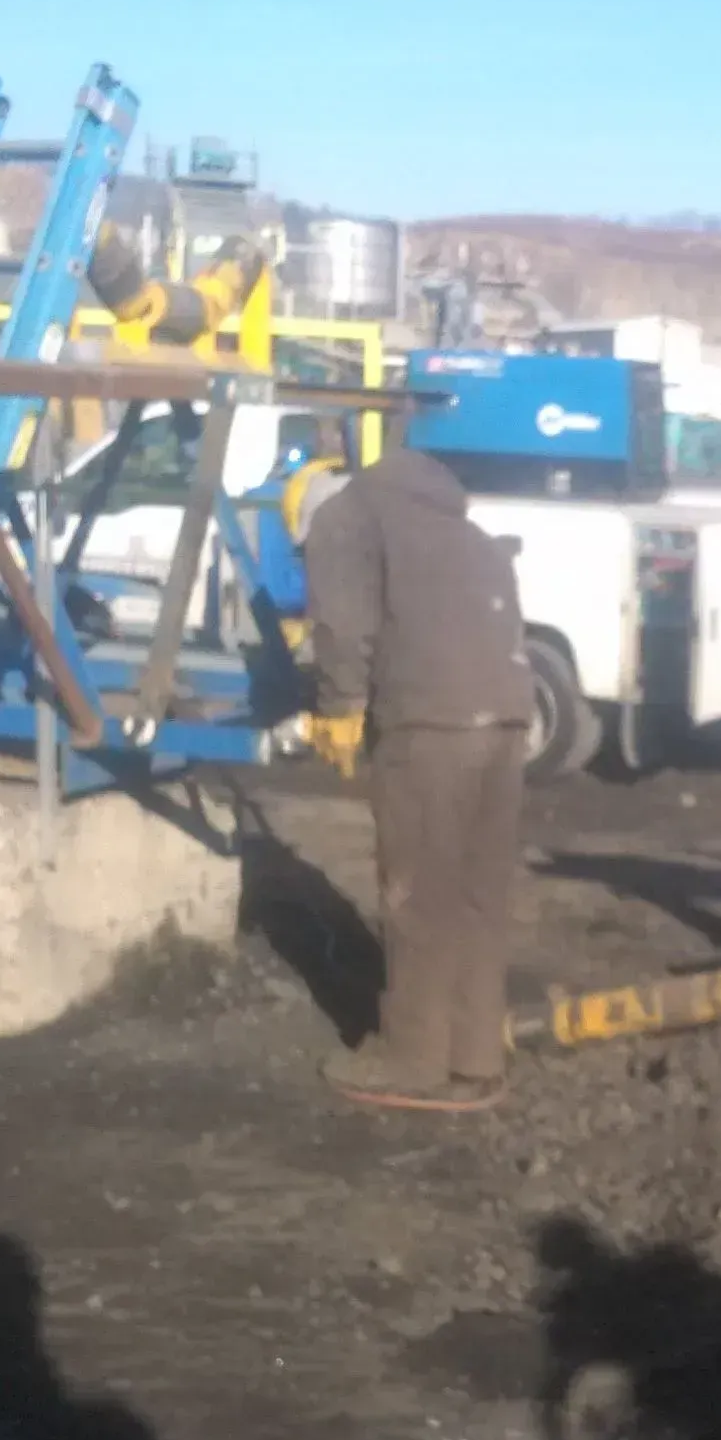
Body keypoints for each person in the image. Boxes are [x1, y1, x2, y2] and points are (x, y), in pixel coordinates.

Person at [303, 435, 532, 1111]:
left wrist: (339, 704)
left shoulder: (347, 516)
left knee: (419, 895)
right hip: (507, 720)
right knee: (477, 893)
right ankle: (475, 1055)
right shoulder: (467, 529)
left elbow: (342, 624)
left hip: (431, 724)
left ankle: (414, 1059)